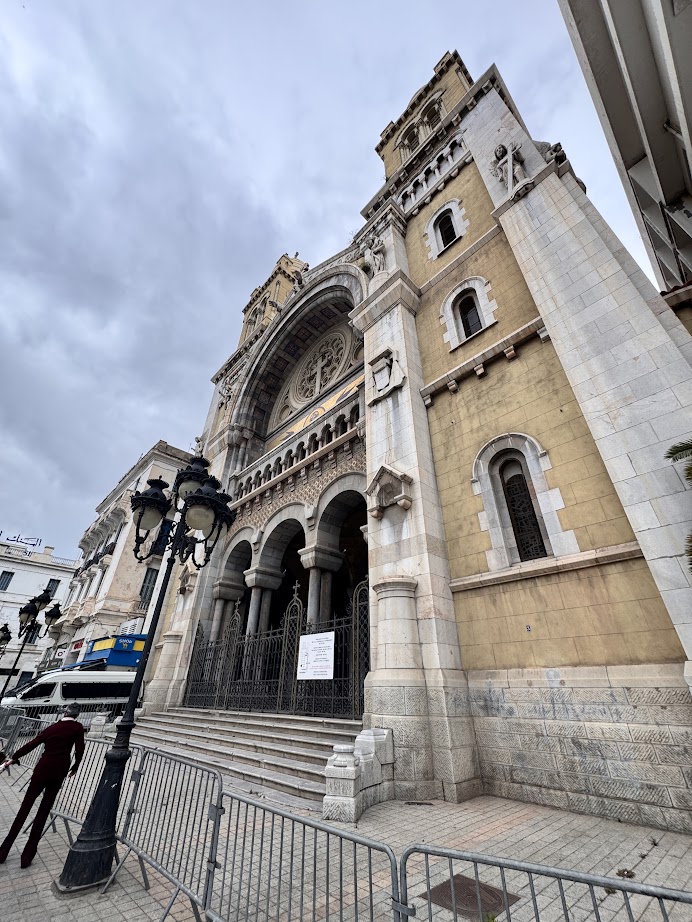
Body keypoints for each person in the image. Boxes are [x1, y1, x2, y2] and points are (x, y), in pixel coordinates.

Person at [0, 702, 85, 868]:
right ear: (76, 715)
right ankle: (27, 857)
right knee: (43, 811)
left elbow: (32, 743)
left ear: (64, 712)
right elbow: (79, 749)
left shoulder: (52, 728)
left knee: (24, 809)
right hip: (59, 770)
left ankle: (3, 852)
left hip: (42, 769)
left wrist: (15, 757)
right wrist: (76, 765)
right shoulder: (77, 728)